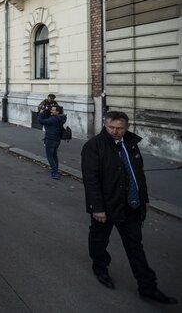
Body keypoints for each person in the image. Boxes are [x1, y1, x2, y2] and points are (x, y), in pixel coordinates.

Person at [80, 111, 177, 304]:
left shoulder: (131, 144)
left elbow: (138, 175)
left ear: (127, 127)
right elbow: (91, 180)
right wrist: (96, 207)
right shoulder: (93, 146)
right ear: (105, 125)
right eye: (111, 127)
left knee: (135, 247)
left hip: (131, 205)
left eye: (120, 128)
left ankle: (148, 287)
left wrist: (144, 199)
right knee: (99, 241)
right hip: (106, 206)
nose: (115, 131)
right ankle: (100, 268)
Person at [37, 105, 67, 179]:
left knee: (50, 156)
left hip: (50, 139)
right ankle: (55, 170)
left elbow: (42, 121)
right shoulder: (61, 117)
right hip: (57, 139)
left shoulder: (53, 119)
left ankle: (55, 172)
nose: (51, 111)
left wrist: (41, 113)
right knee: (54, 155)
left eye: (53, 110)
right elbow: (47, 119)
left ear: (57, 112)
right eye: (51, 110)